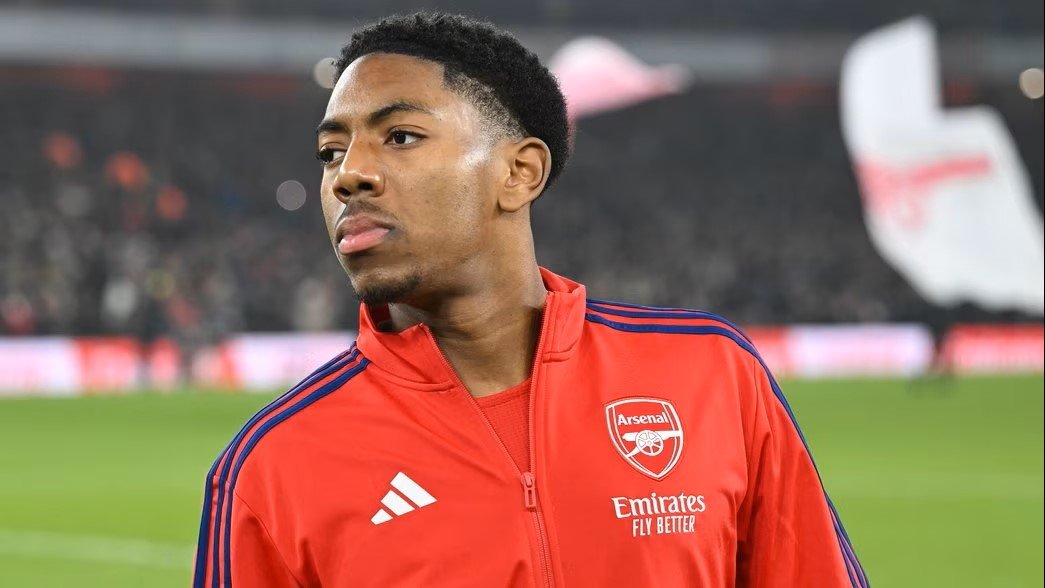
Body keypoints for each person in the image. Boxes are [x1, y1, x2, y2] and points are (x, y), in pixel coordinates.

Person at [193, 12, 868, 588]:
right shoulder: (270, 467)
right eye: (329, 152)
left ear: (519, 173)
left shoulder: (713, 376)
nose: (349, 176)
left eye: (399, 136)